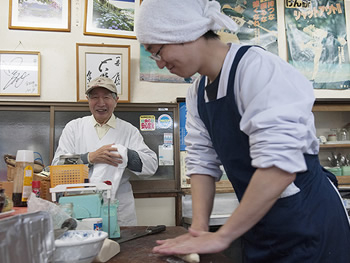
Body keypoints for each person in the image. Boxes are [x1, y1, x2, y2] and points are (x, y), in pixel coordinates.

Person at [135, 0, 350, 262]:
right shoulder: (197, 94)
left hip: (309, 220)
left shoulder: (257, 68)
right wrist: (199, 230)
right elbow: (201, 161)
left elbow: (279, 165)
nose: (159, 63)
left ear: (182, 31)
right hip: (260, 224)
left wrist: (222, 236)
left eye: (157, 51)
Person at [52, 76, 158, 226]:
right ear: (88, 100)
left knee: (122, 247)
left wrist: (125, 155)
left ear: (116, 100)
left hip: (119, 208)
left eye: (107, 97)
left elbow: (151, 165)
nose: (101, 103)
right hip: (80, 207)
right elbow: (57, 165)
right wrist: (89, 158)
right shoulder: (74, 128)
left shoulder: (129, 131)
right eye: (95, 97)